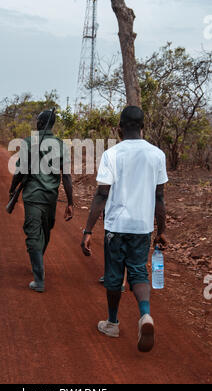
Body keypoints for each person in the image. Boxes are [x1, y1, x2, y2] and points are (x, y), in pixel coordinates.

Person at [80, 106, 168, 353]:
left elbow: (101, 194)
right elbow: (159, 198)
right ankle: (145, 315)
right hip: (142, 227)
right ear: (143, 127)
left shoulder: (112, 154)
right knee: (139, 272)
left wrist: (88, 229)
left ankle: (112, 322)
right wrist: (161, 231)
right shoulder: (157, 155)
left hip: (116, 226)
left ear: (119, 128)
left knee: (114, 275)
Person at [9, 110, 74, 293]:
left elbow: (19, 171)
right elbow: (66, 176)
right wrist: (70, 202)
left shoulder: (29, 142)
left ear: (41, 123)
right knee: (39, 233)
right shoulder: (61, 145)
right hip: (50, 197)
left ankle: (37, 265)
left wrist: (12, 188)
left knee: (38, 234)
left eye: (38, 120)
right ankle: (39, 276)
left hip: (33, 196)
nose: (36, 122)